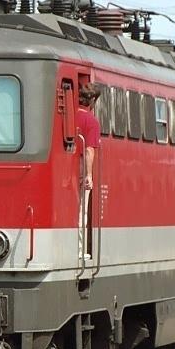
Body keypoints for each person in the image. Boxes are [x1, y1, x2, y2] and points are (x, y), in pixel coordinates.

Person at [77, 83, 101, 258]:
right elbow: (89, 150)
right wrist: (89, 175)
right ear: (92, 100)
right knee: (81, 211)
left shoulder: (66, 114)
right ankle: (79, 250)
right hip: (79, 167)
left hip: (64, 166)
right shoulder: (91, 121)